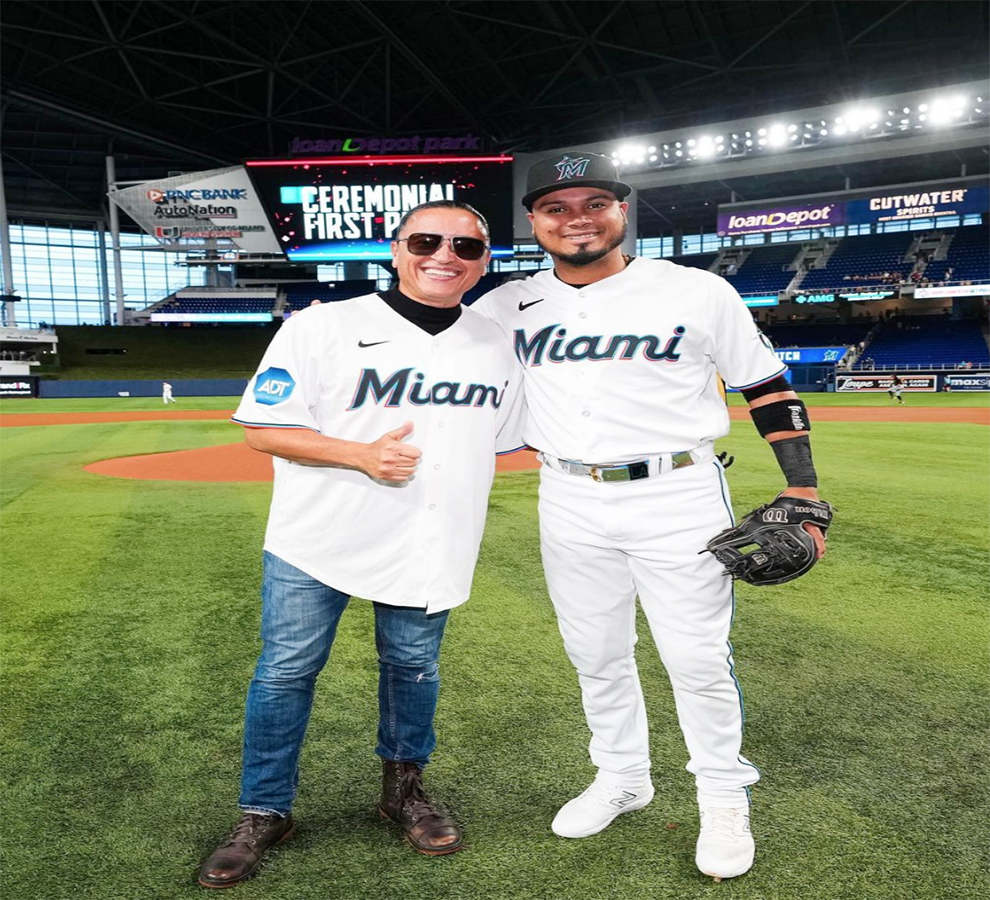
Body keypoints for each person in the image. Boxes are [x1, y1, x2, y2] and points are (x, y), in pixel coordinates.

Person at [471, 151, 829, 882]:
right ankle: (623, 777)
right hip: (566, 494)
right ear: (534, 221)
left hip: (678, 492)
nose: (577, 219)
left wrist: (802, 491)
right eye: (557, 208)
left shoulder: (696, 290)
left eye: (594, 203)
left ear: (621, 211)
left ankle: (723, 797)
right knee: (595, 652)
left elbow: (767, 388)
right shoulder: (504, 306)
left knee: (696, 658)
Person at [197, 201, 523, 889]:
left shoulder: (495, 343)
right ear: (396, 250)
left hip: (431, 537)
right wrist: (359, 455)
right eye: (426, 241)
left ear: (483, 261)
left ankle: (403, 793)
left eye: (465, 246)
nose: (445, 255)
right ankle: (263, 810)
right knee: (285, 672)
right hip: (316, 536)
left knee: (413, 669)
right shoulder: (323, 325)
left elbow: (505, 437)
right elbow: (263, 427)